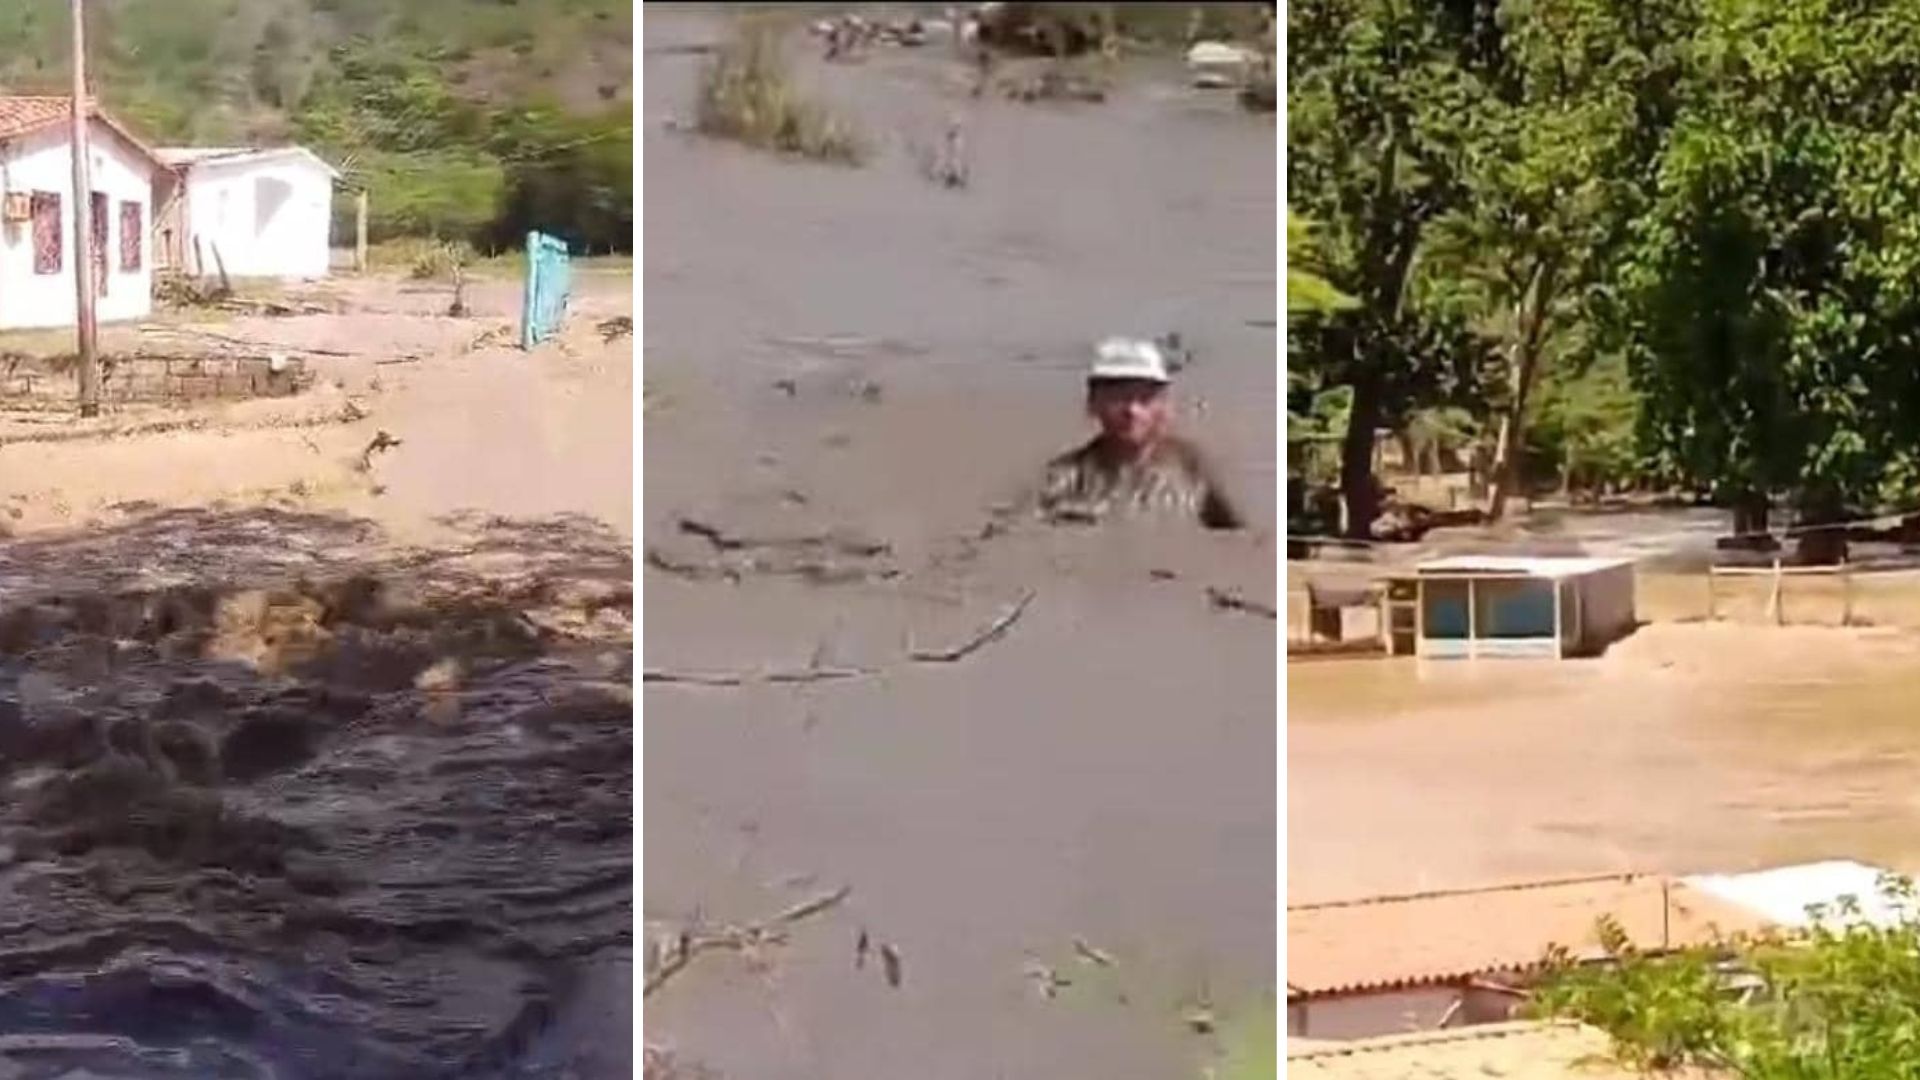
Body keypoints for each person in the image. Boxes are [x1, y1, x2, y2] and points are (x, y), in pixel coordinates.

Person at [1036, 337, 1243, 529]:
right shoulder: (1064, 475)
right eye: (1119, 397)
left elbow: (1244, 539)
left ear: (1165, 405)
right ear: (1093, 404)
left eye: (1144, 398)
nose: (1132, 411)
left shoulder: (1196, 470)